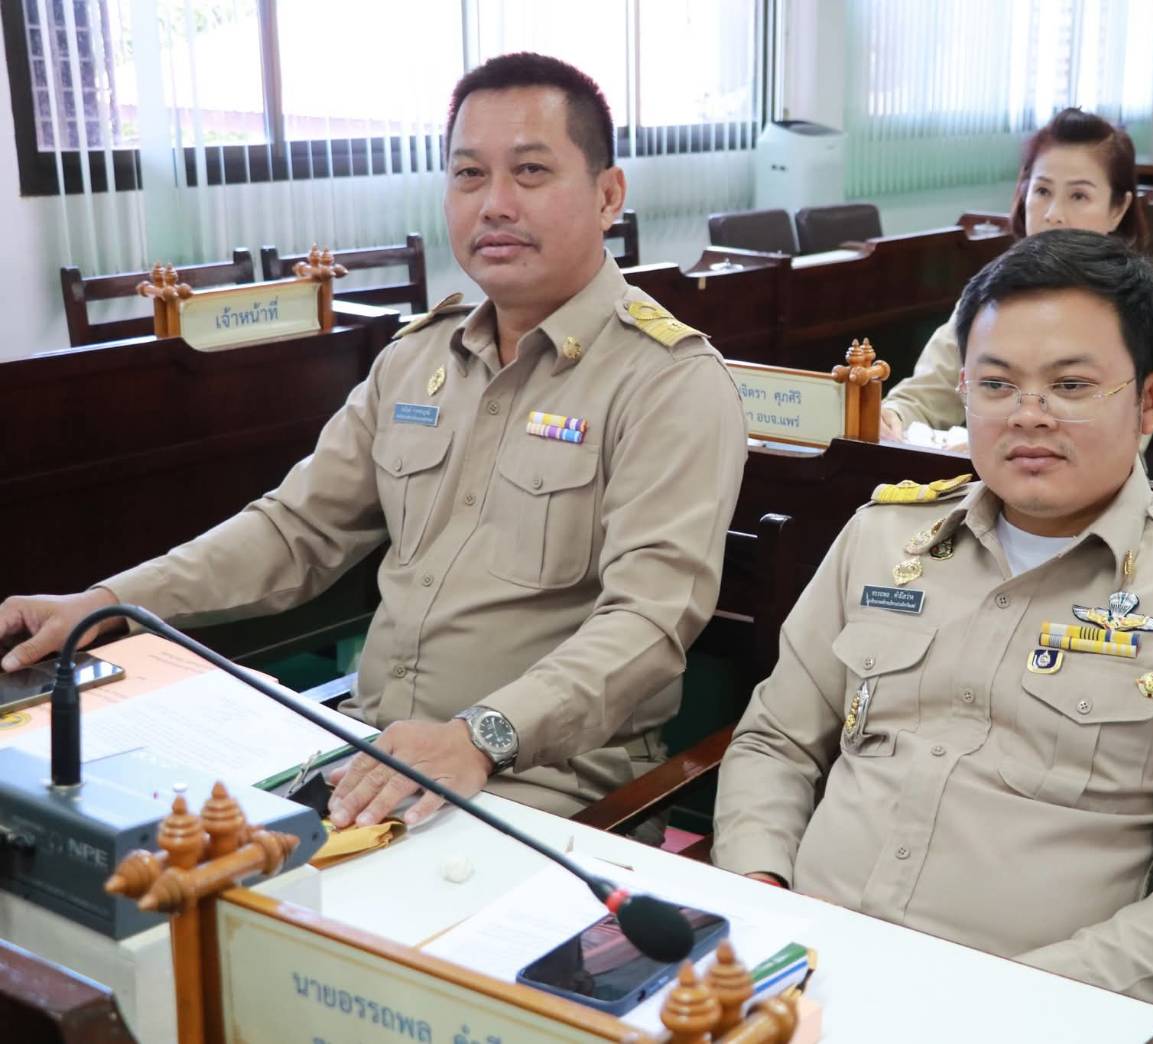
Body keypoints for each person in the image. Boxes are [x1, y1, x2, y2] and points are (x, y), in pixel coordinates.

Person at [0, 53, 747, 830]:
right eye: (469, 175)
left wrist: (481, 737)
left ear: (608, 195)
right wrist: (108, 602)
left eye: (530, 171)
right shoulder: (417, 359)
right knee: (93, 833)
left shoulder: (668, 383)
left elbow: (648, 623)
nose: (495, 204)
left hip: (541, 793)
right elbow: (294, 530)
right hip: (363, 758)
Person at [714, 229, 1153, 1004]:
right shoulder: (883, 537)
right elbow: (776, 741)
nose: (1029, 416)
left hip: (1023, 1010)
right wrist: (760, 891)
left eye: (1071, 386)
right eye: (996, 385)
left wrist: (1007, 1001)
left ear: (1151, 401)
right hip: (792, 969)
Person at [880, 108, 1153, 445]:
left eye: (1079, 196)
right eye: (1042, 191)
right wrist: (892, 417)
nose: (1054, 214)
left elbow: (1125, 440)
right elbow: (922, 397)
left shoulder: (1149, 309)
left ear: (1118, 208)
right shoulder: (990, 296)